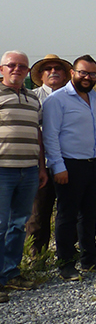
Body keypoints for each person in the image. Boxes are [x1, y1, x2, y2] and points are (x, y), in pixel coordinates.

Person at [43, 55, 96, 280]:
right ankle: (65, 263)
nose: (87, 77)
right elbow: (50, 135)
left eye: (92, 74)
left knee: (90, 214)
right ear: (72, 72)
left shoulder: (92, 96)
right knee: (67, 215)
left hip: (91, 164)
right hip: (68, 164)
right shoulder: (58, 100)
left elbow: (92, 134)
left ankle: (89, 258)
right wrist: (58, 166)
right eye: (83, 72)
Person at [0, 51, 47, 300]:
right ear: (2, 69)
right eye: (11, 65)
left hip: (28, 169)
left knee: (19, 224)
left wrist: (40, 167)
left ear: (28, 72)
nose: (16, 69)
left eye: (22, 66)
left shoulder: (32, 99)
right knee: (0, 226)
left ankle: (11, 273)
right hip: (3, 170)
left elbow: (37, 133)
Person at [25, 54, 71, 258]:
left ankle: (68, 251)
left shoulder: (73, 97)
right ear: (41, 75)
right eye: (48, 68)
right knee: (38, 212)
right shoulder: (31, 97)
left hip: (68, 161)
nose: (53, 71)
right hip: (41, 163)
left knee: (69, 209)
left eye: (58, 68)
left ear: (65, 74)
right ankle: (37, 254)